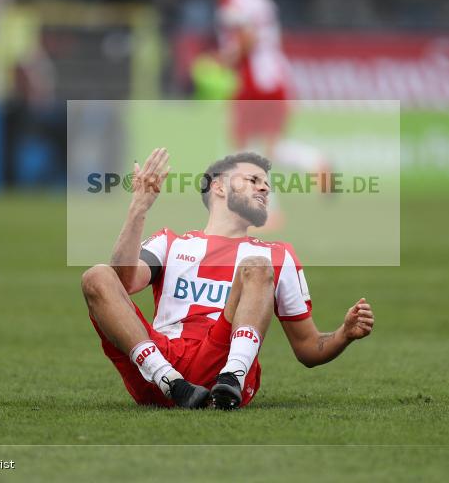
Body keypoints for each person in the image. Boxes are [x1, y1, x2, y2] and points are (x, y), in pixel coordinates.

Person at [80, 148, 375, 409]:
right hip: (157, 361)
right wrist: (138, 209)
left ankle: (232, 376)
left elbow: (308, 347)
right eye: (253, 180)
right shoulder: (170, 243)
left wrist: (343, 334)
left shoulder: (278, 255)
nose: (264, 189)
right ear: (219, 186)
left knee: (257, 267)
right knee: (97, 276)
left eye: (267, 185)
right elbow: (122, 283)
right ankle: (169, 380)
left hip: (220, 366)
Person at [201, 0, 331, 212]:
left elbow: (247, 40)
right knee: (269, 146)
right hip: (276, 73)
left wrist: (221, 60)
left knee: (242, 146)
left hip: (255, 79)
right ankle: (314, 162)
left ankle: (267, 210)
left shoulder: (232, 0)